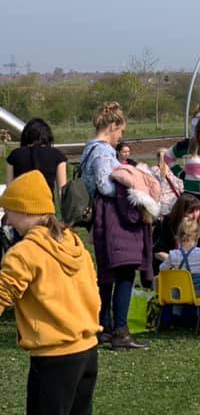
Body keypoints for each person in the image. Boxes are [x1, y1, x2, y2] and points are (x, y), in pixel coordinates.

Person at [0, 170, 100, 415]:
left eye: (9, 213)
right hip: (87, 351)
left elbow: (3, 293)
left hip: (54, 357)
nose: (8, 221)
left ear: (24, 211)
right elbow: (94, 294)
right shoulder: (75, 244)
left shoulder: (24, 253)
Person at [81, 102, 150, 350]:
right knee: (124, 271)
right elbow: (103, 184)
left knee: (107, 274)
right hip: (112, 217)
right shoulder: (102, 152)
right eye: (120, 131)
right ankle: (119, 330)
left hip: (103, 216)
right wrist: (132, 183)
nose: (121, 136)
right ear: (112, 126)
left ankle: (105, 327)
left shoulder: (90, 150)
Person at [158, 217, 200, 318]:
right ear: (197, 237)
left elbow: (162, 268)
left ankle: (176, 316)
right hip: (197, 292)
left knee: (178, 293)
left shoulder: (173, 254)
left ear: (179, 237)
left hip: (178, 293)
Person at [154, 193, 200, 273]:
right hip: (167, 273)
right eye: (190, 212)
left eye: (198, 210)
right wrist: (180, 261)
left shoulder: (198, 223)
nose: (195, 215)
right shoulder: (164, 224)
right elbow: (157, 252)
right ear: (181, 212)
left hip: (191, 272)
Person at [5, 118, 67, 196]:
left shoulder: (14, 155)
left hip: (20, 205)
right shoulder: (58, 155)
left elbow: (9, 188)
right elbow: (62, 191)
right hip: (46, 205)